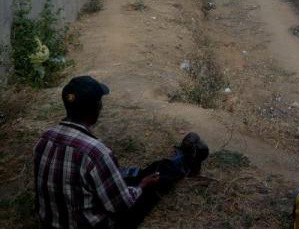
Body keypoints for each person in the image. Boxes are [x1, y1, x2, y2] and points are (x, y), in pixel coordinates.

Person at [34, 76, 209, 229]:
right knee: (153, 178)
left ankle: (178, 160)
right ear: (96, 108)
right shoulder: (95, 152)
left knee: (128, 175)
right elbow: (122, 204)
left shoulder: (45, 138)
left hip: (51, 224)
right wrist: (141, 186)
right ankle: (186, 161)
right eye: (100, 102)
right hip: (95, 224)